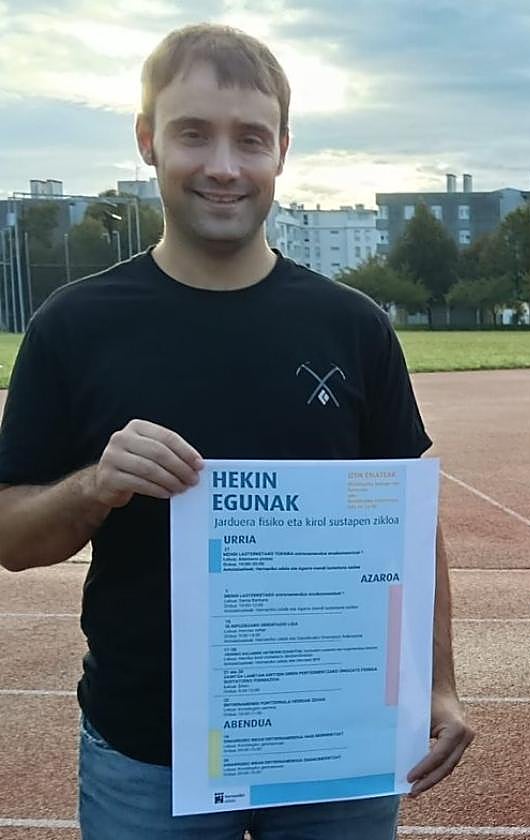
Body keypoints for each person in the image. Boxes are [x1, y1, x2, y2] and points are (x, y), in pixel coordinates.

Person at [0, 24, 473, 839]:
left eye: (250, 138)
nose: (223, 165)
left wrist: (434, 683)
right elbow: (11, 537)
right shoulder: (73, 325)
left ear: (281, 151)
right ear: (148, 141)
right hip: (148, 754)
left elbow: (408, 523)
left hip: (335, 739)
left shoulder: (352, 326)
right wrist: (94, 488)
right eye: (193, 133)